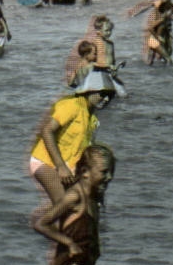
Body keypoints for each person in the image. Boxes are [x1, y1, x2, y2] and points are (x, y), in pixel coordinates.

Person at [31, 143, 116, 265]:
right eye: (104, 172)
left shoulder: (94, 197)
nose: (109, 177)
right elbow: (41, 224)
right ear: (85, 172)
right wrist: (69, 243)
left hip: (85, 262)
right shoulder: (74, 196)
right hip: (69, 263)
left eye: (112, 172)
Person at [28, 69, 116, 227]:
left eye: (110, 95)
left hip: (68, 166)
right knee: (66, 206)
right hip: (45, 162)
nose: (106, 99)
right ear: (89, 90)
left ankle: (41, 223)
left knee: (85, 206)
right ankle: (45, 228)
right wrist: (61, 167)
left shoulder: (92, 119)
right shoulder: (72, 106)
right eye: (102, 94)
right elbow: (47, 131)